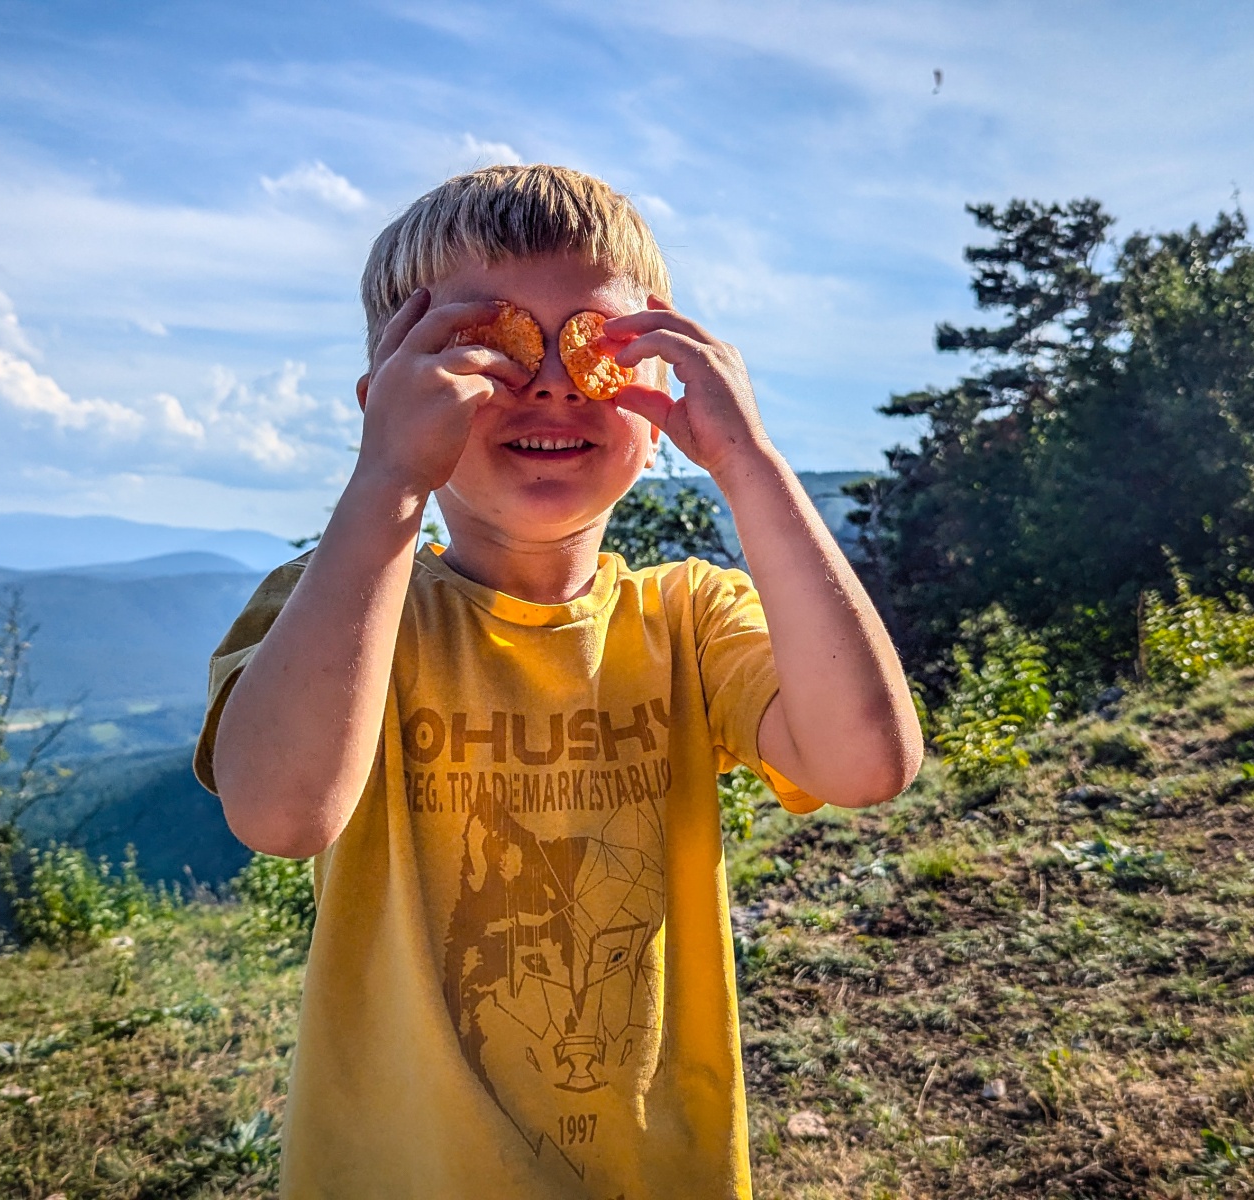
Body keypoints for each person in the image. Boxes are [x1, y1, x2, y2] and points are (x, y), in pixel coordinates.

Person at [195, 163, 922, 1199]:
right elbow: (281, 813)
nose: (550, 384)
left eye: (595, 347)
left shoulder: (690, 618)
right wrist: (387, 477)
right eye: (483, 351)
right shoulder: (337, 614)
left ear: (657, 396)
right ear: (386, 399)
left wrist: (747, 461)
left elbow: (867, 763)